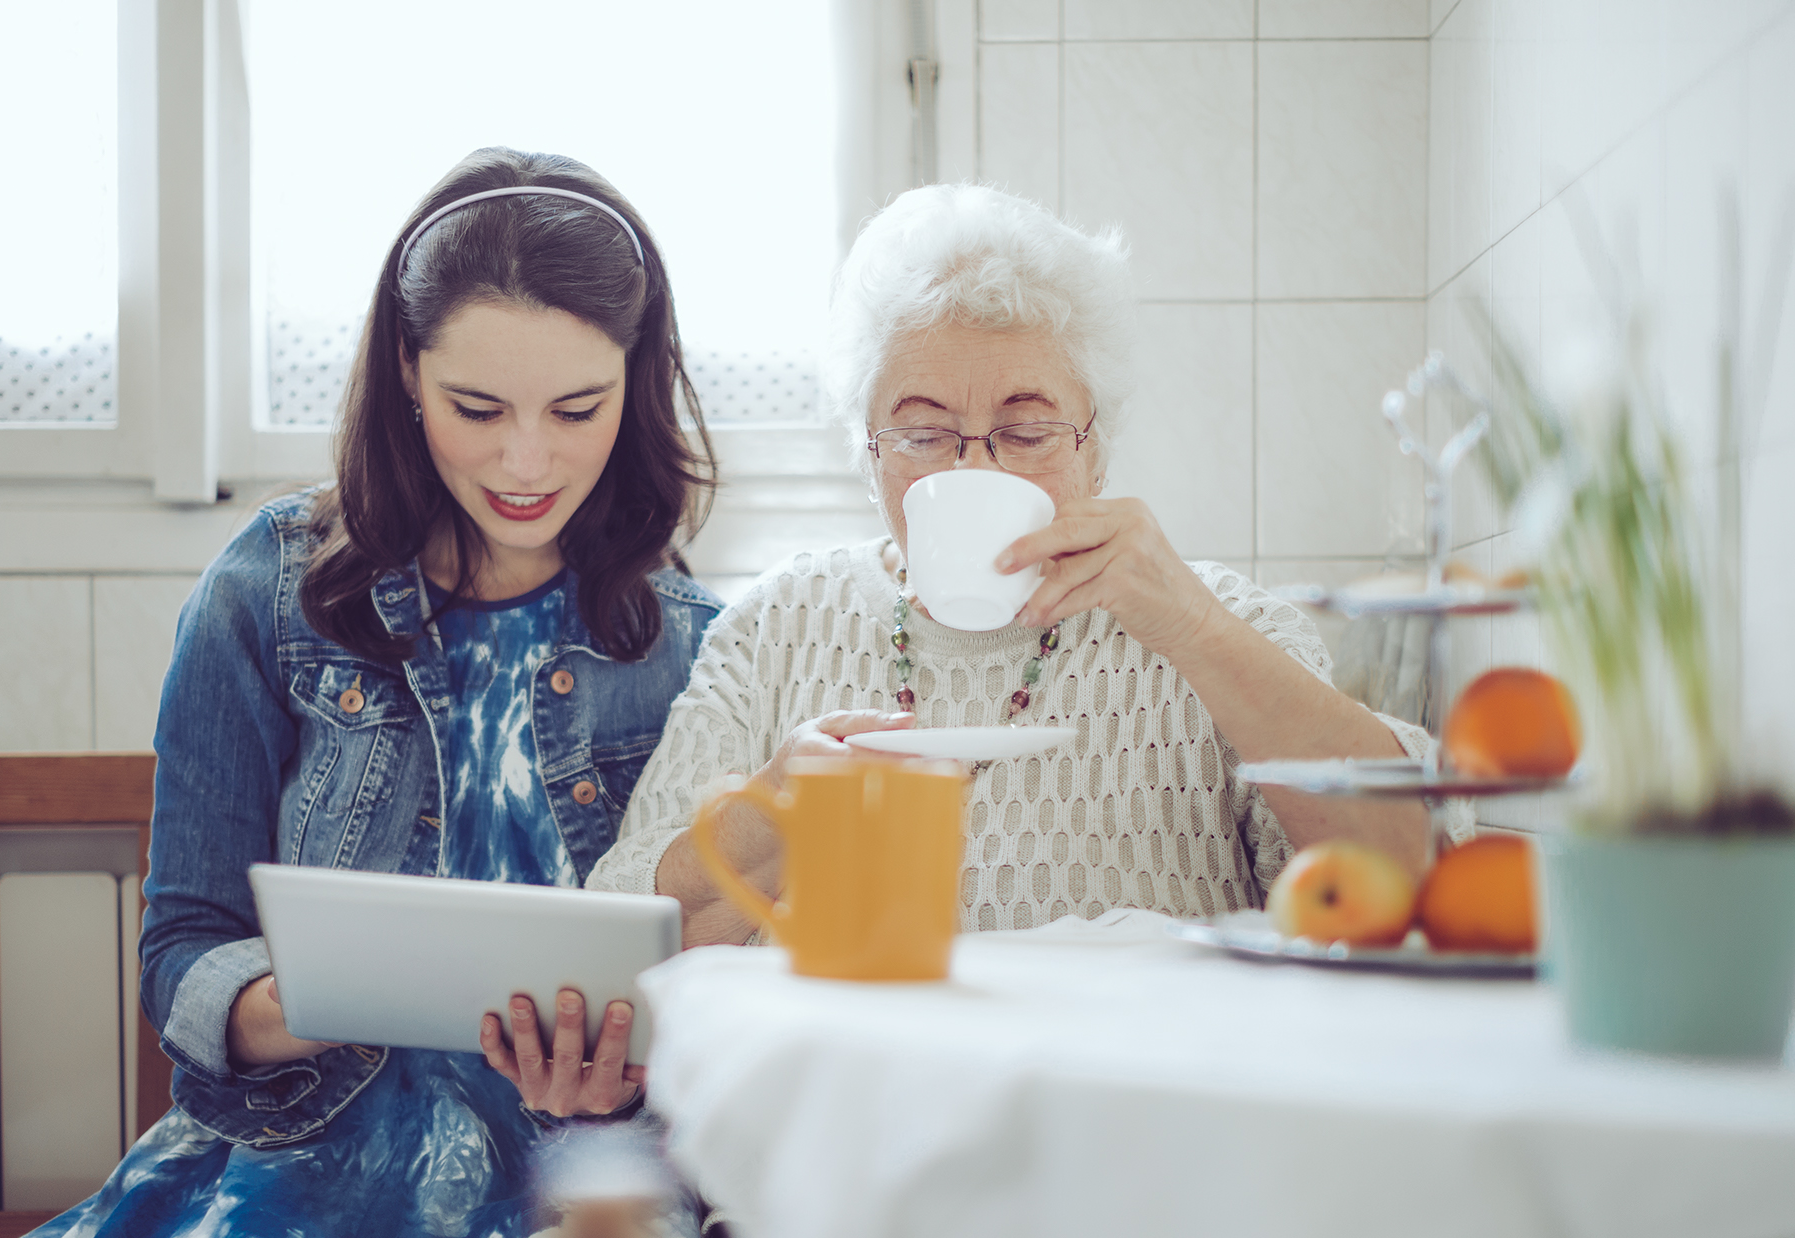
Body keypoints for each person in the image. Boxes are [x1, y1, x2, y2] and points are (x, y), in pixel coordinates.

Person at [0, 148, 719, 1238]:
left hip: (577, 1185)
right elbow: (181, 950)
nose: (527, 463)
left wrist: (618, 1078)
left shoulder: (696, 645)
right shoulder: (269, 586)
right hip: (293, 1165)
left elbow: (712, 1002)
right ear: (406, 376)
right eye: (478, 409)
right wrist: (286, 1002)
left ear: (637, 378)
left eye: (577, 409)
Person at [588, 183, 1464, 939]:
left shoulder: (1213, 621)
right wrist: (769, 813)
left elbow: (1422, 875)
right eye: (924, 432)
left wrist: (1194, 628)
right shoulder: (778, 626)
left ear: (1095, 448)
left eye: (1028, 428)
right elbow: (624, 933)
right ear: (869, 454)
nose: (975, 467)